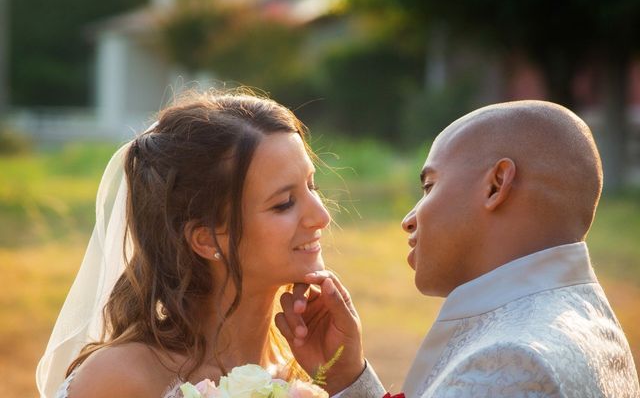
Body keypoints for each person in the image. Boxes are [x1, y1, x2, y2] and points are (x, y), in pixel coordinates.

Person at [277, 100, 640, 397]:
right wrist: (350, 379)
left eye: (430, 186)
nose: (409, 219)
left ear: (496, 185)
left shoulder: (515, 360)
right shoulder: (582, 316)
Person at [36, 90, 347, 398]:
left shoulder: (315, 371)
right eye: (284, 203)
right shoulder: (124, 379)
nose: (321, 216)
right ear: (206, 238)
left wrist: (348, 379)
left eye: (312, 185)